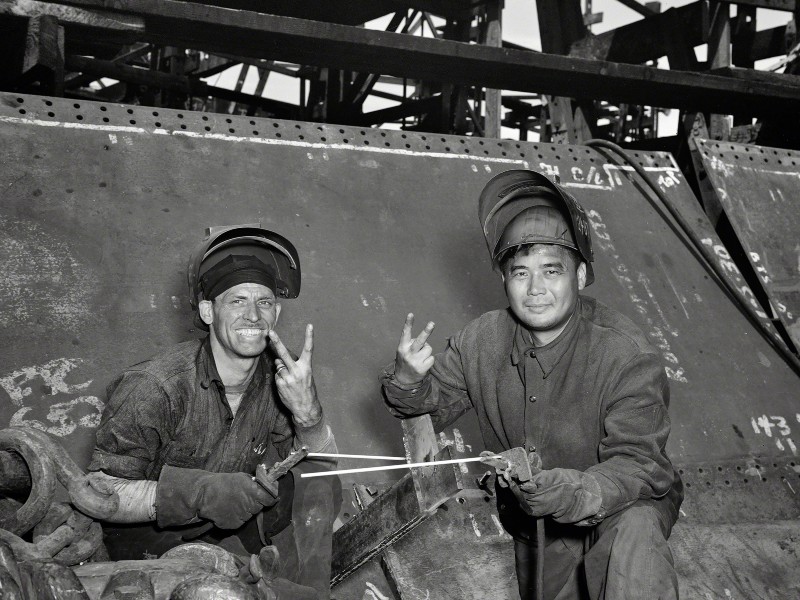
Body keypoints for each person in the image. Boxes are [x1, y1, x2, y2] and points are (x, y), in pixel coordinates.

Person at [380, 170, 683, 600]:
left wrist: (570, 491)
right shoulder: (482, 339)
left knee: (634, 539)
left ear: (579, 277)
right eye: (520, 273)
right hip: (536, 525)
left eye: (551, 270)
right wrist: (409, 382)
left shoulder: (627, 355)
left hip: (620, 505)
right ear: (505, 280)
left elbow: (637, 464)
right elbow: (430, 406)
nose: (536, 289)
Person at [89, 225, 340, 599]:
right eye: (237, 301)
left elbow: (325, 471)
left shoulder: (281, 379)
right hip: (152, 538)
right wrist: (200, 493)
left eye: (265, 302)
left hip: (234, 527)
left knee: (317, 490)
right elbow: (99, 494)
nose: (253, 316)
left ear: (277, 312)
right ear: (208, 311)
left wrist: (308, 414)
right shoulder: (154, 387)